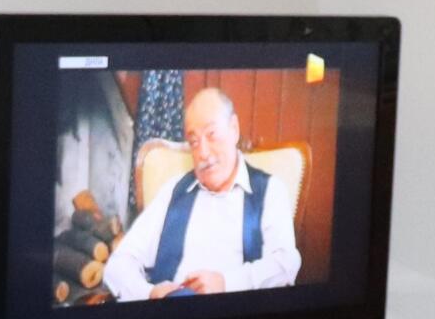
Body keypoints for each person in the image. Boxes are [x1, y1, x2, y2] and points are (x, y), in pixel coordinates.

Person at [104, 85, 301, 298]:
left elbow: (286, 263)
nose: (203, 153)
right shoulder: (174, 191)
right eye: (194, 142)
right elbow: (119, 263)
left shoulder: (270, 190)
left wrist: (226, 283)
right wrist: (149, 293)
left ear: (234, 129)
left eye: (212, 134)